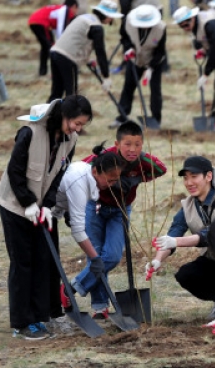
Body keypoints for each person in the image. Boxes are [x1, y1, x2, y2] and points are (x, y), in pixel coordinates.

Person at [0, 96, 92, 340]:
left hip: (41, 206)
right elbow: (14, 171)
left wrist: (48, 205)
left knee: (44, 259)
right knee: (23, 261)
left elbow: (59, 174)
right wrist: (27, 203)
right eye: (76, 123)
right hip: (14, 205)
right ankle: (22, 323)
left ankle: (40, 317)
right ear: (64, 116)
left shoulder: (70, 140)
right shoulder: (30, 132)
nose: (78, 129)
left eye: (82, 125)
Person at [73, 120, 166, 318]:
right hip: (95, 208)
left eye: (137, 144)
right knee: (95, 255)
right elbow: (81, 168)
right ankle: (100, 307)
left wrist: (138, 178)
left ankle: (73, 288)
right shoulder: (105, 158)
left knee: (112, 256)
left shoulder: (142, 161)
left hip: (120, 212)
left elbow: (161, 169)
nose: (132, 149)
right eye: (127, 144)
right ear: (117, 144)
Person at [146, 156, 215, 311]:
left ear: (209, 176)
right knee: (187, 275)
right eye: (186, 178)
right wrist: (158, 260)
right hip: (214, 260)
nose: (189, 183)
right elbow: (174, 232)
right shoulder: (189, 206)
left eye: (194, 177)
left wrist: (177, 242)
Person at [52, 145, 123, 332]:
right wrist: (94, 257)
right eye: (110, 180)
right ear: (96, 171)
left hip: (54, 211)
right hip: (40, 213)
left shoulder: (91, 181)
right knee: (44, 265)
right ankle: (46, 310)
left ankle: (62, 299)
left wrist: (67, 211)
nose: (113, 184)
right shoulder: (80, 181)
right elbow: (78, 231)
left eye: (116, 180)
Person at [174, 5, 215, 132]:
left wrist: (205, 74)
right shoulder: (196, 25)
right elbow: (209, 44)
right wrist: (203, 50)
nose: (185, 29)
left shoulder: (209, 23)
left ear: (192, 18)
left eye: (186, 25)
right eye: (181, 27)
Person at [48, 0, 122, 102]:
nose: (112, 20)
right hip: (67, 58)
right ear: (107, 15)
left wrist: (87, 59)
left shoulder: (84, 18)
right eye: (112, 17)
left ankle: (48, 117)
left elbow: (79, 40)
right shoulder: (96, 27)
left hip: (55, 52)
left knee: (56, 93)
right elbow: (100, 52)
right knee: (72, 95)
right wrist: (106, 76)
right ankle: (69, 116)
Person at [99, 0, 164, 74]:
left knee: (138, 40)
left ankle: (127, 65)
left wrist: (123, 32)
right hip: (156, 9)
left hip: (150, 14)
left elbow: (126, 16)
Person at [112, 5, 167, 128]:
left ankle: (156, 119)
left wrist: (151, 68)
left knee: (155, 90)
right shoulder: (128, 22)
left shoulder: (161, 28)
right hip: (134, 59)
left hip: (153, 62)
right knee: (128, 87)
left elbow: (161, 51)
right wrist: (128, 48)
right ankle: (122, 116)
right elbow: (124, 37)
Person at [28, 0, 78, 76]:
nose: (75, 13)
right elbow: (61, 27)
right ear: (74, 6)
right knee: (52, 48)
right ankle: (57, 71)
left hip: (34, 21)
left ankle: (43, 71)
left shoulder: (58, 9)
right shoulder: (65, 10)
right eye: (76, 10)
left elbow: (56, 28)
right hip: (41, 23)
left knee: (46, 47)